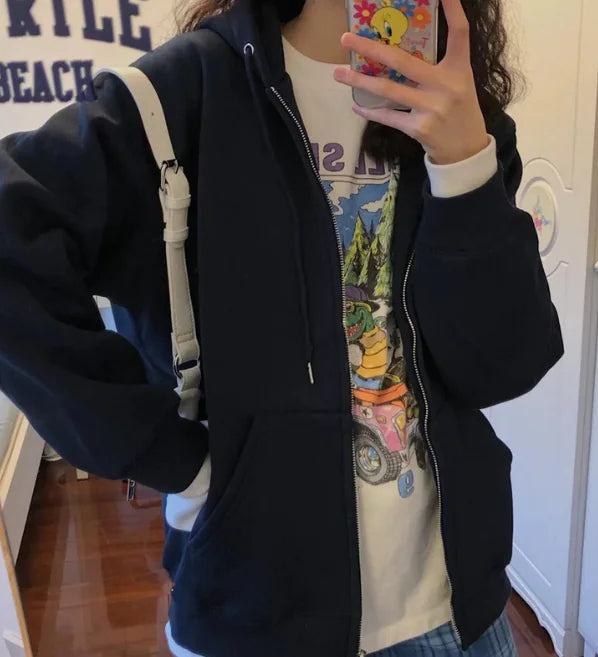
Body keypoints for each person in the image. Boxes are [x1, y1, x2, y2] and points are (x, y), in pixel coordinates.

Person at [0, 0, 564, 655]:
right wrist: (168, 455)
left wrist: (464, 161)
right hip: (256, 611)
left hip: (457, 604)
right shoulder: (181, 95)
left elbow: (499, 366)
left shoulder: (465, 112)